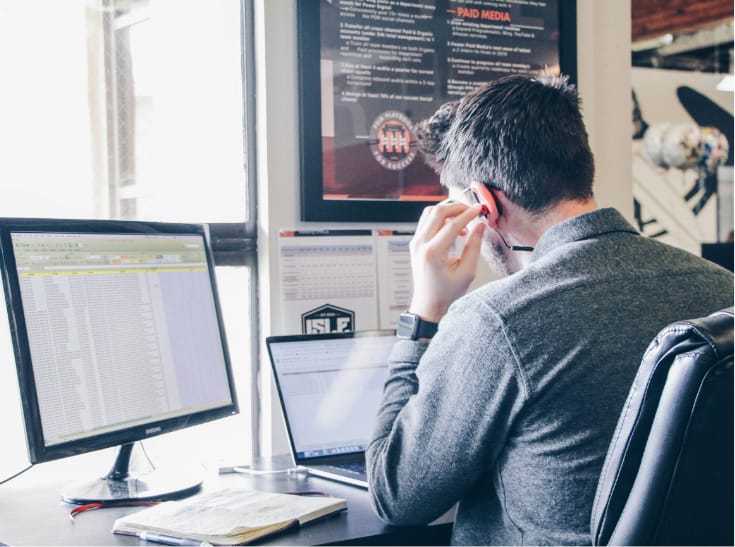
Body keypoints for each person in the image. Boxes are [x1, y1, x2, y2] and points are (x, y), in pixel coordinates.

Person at [366, 73, 734, 545]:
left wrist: (423, 315)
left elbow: (397, 496)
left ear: (483, 205)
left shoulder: (498, 320)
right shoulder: (724, 289)